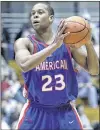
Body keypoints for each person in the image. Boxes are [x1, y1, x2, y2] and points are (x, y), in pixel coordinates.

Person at [14, 2, 99, 130]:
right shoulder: (24, 43)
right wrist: (54, 46)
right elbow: (25, 64)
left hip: (65, 112)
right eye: (33, 14)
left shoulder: (68, 43)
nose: (35, 16)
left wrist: (88, 42)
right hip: (36, 112)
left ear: (51, 18)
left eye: (40, 12)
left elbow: (94, 70)